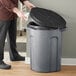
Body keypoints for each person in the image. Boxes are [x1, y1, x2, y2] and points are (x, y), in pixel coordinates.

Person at [0, 0, 35, 69]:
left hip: (13, 14)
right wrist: (17, 10)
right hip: (3, 13)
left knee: (12, 35)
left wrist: (25, 2)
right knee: (1, 37)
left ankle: (14, 55)